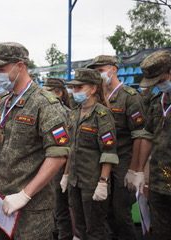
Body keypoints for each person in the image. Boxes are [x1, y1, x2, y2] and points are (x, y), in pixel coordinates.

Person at [0, 42, 71, 239]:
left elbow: (58, 154)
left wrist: (25, 194)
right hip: (3, 200)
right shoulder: (4, 103)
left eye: (1, 68)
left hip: (33, 207)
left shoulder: (45, 103)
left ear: (20, 66)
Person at [88, 55, 146, 240]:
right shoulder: (96, 99)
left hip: (123, 161)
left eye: (101, 70)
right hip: (102, 161)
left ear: (114, 69)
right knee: (104, 212)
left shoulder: (130, 97)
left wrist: (135, 169)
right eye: (95, 71)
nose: (98, 74)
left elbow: (139, 135)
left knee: (122, 213)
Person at [64, 68, 119, 240]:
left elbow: (108, 151)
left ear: (93, 89)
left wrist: (103, 182)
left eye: (79, 87)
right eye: (73, 88)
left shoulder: (102, 115)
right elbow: (71, 148)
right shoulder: (74, 114)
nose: (75, 92)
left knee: (95, 231)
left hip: (92, 183)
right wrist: (66, 175)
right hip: (75, 181)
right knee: (79, 228)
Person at [136, 50, 171, 239]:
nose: (158, 85)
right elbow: (148, 136)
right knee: (160, 231)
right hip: (160, 181)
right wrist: (141, 170)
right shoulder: (158, 102)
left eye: (161, 79)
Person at [43, 78, 73, 240]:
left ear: (59, 93)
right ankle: (54, 232)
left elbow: (66, 146)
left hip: (59, 166)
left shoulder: (66, 113)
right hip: (46, 164)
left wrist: (66, 173)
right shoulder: (46, 111)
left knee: (60, 207)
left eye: (48, 91)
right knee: (50, 205)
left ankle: (64, 235)